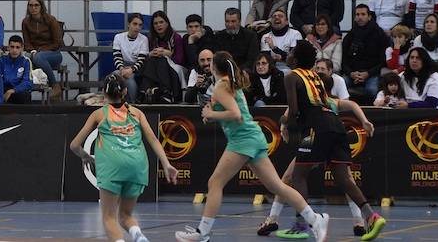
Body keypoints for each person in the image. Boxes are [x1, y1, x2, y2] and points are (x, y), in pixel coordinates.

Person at [174, 51, 330, 242]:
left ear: (215, 67)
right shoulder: (228, 84)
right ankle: (315, 219)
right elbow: (230, 111)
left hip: (243, 140)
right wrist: (211, 114)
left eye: (211, 62)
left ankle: (203, 233)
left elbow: (236, 114)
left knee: (215, 183)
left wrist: (212, 115)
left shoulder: (222, 86)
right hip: (252, 138)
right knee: (277, 187)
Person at [280, 40, 386, 241]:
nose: (290, 54)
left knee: (298, 176)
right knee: (343, 177)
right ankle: (371, 216)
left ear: (296, 57)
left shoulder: (291, 77)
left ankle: (301, 224)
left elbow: (294, 111)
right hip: (336, 125)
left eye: (292, 51)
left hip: (315, 128)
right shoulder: (317, 77)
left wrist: (285, 122)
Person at [70, 73, 178, 242]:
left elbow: (74, 145)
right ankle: (138, 235)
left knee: (109, 217)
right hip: (137, 166)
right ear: (126, 91)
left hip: (113, 166)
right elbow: (154, 140)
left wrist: (85, 157)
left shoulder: (99, 114)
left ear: (104, 94)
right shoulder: (137, 113)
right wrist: (166, 163)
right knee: (126, 215)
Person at [341, 4, 388, 102]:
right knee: (341, 84)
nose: (360, 17)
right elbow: (344, 60)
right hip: (352, 73)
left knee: (372, 90)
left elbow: (383, 61)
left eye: (363, 14)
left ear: (369, 17)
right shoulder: (350, 36)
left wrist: (368, 73)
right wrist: (351, 73)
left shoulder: (379, 34)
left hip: (371, 73)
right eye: (357, 15)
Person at [22, 0, 64, 101]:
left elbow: (57, 43)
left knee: (38, 57)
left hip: (54, 53)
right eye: (30, 5)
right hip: (34, 53)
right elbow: (26, 43)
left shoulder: (50, 20)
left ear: (41, 6)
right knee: (23, 58)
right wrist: (32, 51)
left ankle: (54, 85)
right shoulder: (25, 22)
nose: (33, 8)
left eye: (36, 5)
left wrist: (39, 51)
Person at [112, 13, 150, 102]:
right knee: (113, 76)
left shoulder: (144, 39)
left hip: (138, 68)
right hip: (123, 66)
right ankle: (113, 103)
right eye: (135, 24)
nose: (137, 27)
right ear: (129, 24)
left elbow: (141, 60)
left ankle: (132, 103)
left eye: (140, 25)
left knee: (129, 80)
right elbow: (117, 57)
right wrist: (122, 69)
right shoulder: (118, 37)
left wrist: (131, 70)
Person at [260, 10, 302, 74]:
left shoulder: (295, 34)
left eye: (280, 16)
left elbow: (294, 60)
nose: (277, 17)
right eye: (274, 16)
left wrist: (274, 48)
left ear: (286, 22)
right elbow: (265, 60)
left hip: (291, 70)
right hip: (271, 70)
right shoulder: (266, 36)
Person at [0, 35, 33, 104]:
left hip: (18, 91)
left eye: (17, 47)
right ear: (8, 47)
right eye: (12, 47)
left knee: (26, 96)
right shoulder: (1, 60)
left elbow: (28, 82)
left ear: (22, 48)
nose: (14, 50)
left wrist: (13, 90)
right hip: (3, 90)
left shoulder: (26, 61)